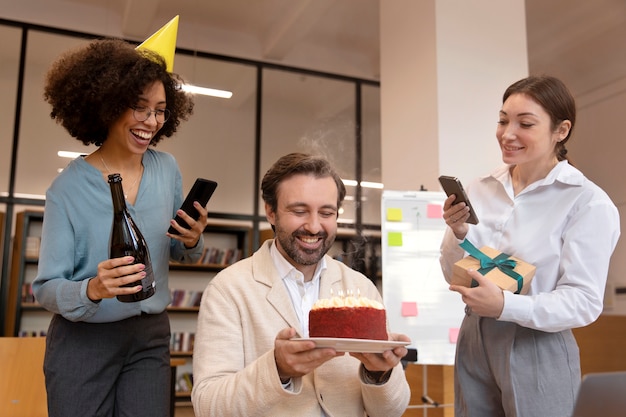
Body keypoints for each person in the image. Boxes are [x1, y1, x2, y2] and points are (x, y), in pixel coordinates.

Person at [32, 37, 206, 417]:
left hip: (150, 336)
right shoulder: (66, 189)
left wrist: (191, 239)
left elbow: (177, 251)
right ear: (107, 106)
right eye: (139, 108)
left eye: (160, 111)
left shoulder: (168, 170)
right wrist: (94, 288)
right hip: (84, 340)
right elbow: (45, 288)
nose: (152, 122)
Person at [439, 75, 620, 417]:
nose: (507, 133)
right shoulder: (481, 187)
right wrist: (459, 233)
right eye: (503, 120)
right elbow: (452, 272)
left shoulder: (587, 202)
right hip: (474, 335)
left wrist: (506, 306)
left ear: (561, 131)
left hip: (537, 341)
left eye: (525, 123)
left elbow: (584, 301)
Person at [192, 152, 411, 417]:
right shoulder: (229, 289)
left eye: (327, 212)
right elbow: (208, 406)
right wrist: (277, 370)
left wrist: (380, 373)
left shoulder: (361, 289)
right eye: (299, 211)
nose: (314, 226)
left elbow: (392, 411)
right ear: (271, 212)